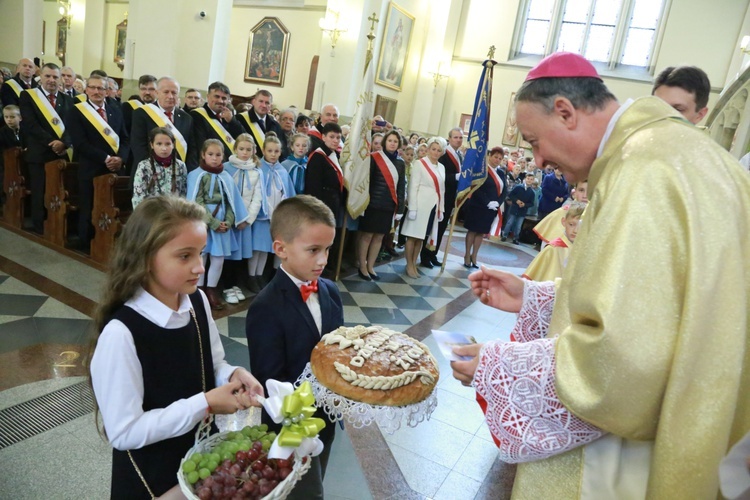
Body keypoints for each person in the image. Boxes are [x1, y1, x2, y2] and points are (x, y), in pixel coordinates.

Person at [451, 51, 750, 500]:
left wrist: (499, 366)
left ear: (566, 112)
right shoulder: (668, 152)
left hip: (622, 458)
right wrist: (539, 298)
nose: (539, 160)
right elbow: (657, 305)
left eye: (534, 141)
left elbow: (625, 363)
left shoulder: (642, 171)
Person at [88, 195, 263, 499]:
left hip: (199, 458)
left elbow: (212, 362)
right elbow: (124, 431)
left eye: (201, 253)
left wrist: (232, 374)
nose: (200, 267)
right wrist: (205, 404)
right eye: (185, 256)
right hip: (152, 475)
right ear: (145, 258)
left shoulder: (195, 301)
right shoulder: (122, 334)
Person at [245, 194, 343, 500]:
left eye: (327, 249)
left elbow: (337, 349)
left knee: (317, 477)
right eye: (313, 250)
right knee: (298, 492)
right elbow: (269, 380)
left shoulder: (329, 290)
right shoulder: (266, 307)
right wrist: (302, 425)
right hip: (290, 425)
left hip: (325, 416)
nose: (323, 260)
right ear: (280, 249)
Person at [67, 75, 128, 250]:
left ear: (107, 91)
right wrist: (106, 159)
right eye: (92, 87)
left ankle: (107, 242)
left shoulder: (115, 110)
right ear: (86, 90)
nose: (96, 91)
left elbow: (125, 138)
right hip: (90, 168)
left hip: (115, 169)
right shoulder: (77, 111)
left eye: (100, 88)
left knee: (110, 207)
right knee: (88, 207)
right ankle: (86, 242)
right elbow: (80, 143)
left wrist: (121, 158)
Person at [187, 139, 248, 310]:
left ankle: (211, 290)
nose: (214, 158)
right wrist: (213, 222)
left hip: (222, 223)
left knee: (218, 259)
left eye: (218, 155)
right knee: (202, 257)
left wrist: (228, 221)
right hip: (204, 222)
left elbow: (231, 202)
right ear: (203, 155)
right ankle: (197, 291)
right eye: (211, 155)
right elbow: (196, 201)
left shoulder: (225, 176)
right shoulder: (196, 175)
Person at [18, 63, 74, 234]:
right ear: (40, 76)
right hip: (39, 153)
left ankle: (56, 224)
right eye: (48, 76)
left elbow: (72, 126)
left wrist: (64, 143)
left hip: (61, 154)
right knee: (39, 191)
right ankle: (39, 225)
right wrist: (53, 142)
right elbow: (30, 124)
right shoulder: (28, 96)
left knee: (58, 192)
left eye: (56, 77)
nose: (52, 80)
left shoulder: (67, 99)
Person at [249, 132, 295, 292]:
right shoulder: (259, 169)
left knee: (271, 248)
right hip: (262, 216)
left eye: (276, 151)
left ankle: (263, 275)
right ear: (263, 151)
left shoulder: (282, 170)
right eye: (270, 151)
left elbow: (288, 193)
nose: (273, 154)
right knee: (258, 249)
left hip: (277, 216)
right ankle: (252, 276)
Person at [357, 130, 405, 281]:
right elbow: (366, 182)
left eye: (395, 141)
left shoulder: (400, 163)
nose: (392, 143)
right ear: (385, 142)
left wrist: (400, 208)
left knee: (379, 237)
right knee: (367, 236)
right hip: (372, 204)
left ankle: (371, 266)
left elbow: (401, 187)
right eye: (390, 140)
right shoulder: (374, 158)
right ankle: (362, 266)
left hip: (389, 206)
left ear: (398, 144)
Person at [224, 133, 262, 300]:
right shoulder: (226, 168)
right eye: (241, 149)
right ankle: (226, 286)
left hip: (245, 220)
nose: (245, 152)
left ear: (253, 150)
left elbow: (257, 197)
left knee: (240, 254)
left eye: (248, 149)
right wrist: (229, 218)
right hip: (228, 220)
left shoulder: (256, 171)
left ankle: (236, 285)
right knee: (227, 254)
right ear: (235, 149)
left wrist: (248, 219)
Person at [401, 137, 445, 279]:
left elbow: (442, 190)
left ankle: (414, 263)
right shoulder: (420, 164)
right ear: (428, 150)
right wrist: (412, 207)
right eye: (433, 149)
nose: (436, 152)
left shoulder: (442, 167)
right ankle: (409, 265)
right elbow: (413, 187)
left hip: (433, 206)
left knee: (421, 238)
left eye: (439, 150)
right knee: (413, 236)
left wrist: (441, 209)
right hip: (419, 205)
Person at [130, 76, 193, 168]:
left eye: (174, 93)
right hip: (149, 172)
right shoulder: (142, 113)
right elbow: (138, 146)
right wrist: (156, 169)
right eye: (166, 92)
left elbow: (191, 149)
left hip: (177, 173)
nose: (170, 96)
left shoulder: (186, 118)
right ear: (157, 93)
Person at [421, 128, 462, 268]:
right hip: (439, 195)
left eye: (460, 138)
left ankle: (433, 254)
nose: (458, 140)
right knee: (433, 227)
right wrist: (455, 177)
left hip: (450, 198)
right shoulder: (443, 154)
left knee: (441, 227)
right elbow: (439, 175)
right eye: (455, 137)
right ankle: (425, 256)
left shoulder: (459, 155)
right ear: (449, 138)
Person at [462, 146, 507, 268]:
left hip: (492, 208)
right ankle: (466, 255)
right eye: (495, 157)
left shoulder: (501, 173)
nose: (497, 160)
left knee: (481, 233)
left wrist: (498, 202)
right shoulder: (482, 170)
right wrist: (487, 202)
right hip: (478, 205)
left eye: (500, 158)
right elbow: (476, 188)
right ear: (490, 156)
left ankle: (474, 255)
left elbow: (505, 190)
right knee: (472, 230)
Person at [522, 200, 584, 281]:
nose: (575, 230)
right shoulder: (552, 249)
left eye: (581, 226)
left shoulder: (584, 250)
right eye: (571, 224)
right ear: (564, 222)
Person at [188, 81, 243, 170]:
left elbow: (243, 138)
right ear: (208, 97)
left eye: (224, 98)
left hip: (232, 167)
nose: (220, 101)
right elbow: (200, 146)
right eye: (217, 96)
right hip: (211, 167)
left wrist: (232, 121)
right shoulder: (197, 115)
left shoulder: (228, 117)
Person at [131, 127, 187, 208]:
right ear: (152, 145)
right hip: (151, 213)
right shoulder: (144, 166)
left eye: (168, 144)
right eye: (159, 144)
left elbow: (183, 194)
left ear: (173, 145)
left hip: (174, 212)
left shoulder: (181, 166)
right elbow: (138, 197)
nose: (164, 148)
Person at [304, 122, 346, 232]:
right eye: (332, 137)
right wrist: (317, 208)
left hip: (333, 202)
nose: (335, 140)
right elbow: (313, 186)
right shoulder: (318, 157)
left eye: (338, 137)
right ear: (323, 137)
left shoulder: (335, 155)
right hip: (322, 204)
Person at [533, 180, 588, 247]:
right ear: (575, 191)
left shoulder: (598, 218)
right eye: (581, 190)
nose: (585, 195)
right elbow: (548, 251)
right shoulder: (560, 213)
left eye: (589, 191)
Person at [236, 90, 285, 161]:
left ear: (270, 106)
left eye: (267, 103)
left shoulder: (275, 125)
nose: (264, 105)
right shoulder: (240, 120)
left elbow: (282, 148)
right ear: (254, 102)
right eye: (261, 101)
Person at [500, 173, 535, 244]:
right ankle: (505, 235)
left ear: (533, 181)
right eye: (528, 179)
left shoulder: (532, 192)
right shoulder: (518, 187)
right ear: (525, 179)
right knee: (510, 222)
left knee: (518, 225)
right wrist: (516, 201)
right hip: (514, 208)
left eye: (531, 179)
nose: (529, 180)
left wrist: (525, 204)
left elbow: (531, 203)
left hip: (522, 211)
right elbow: (511, 195)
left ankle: (515, 238)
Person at [0, 105, 22, 203]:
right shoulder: (2, 133)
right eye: (6, 117)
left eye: (12, 117)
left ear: (20, 117)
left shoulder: (26, 131)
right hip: (6, 166)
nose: (9, 120)